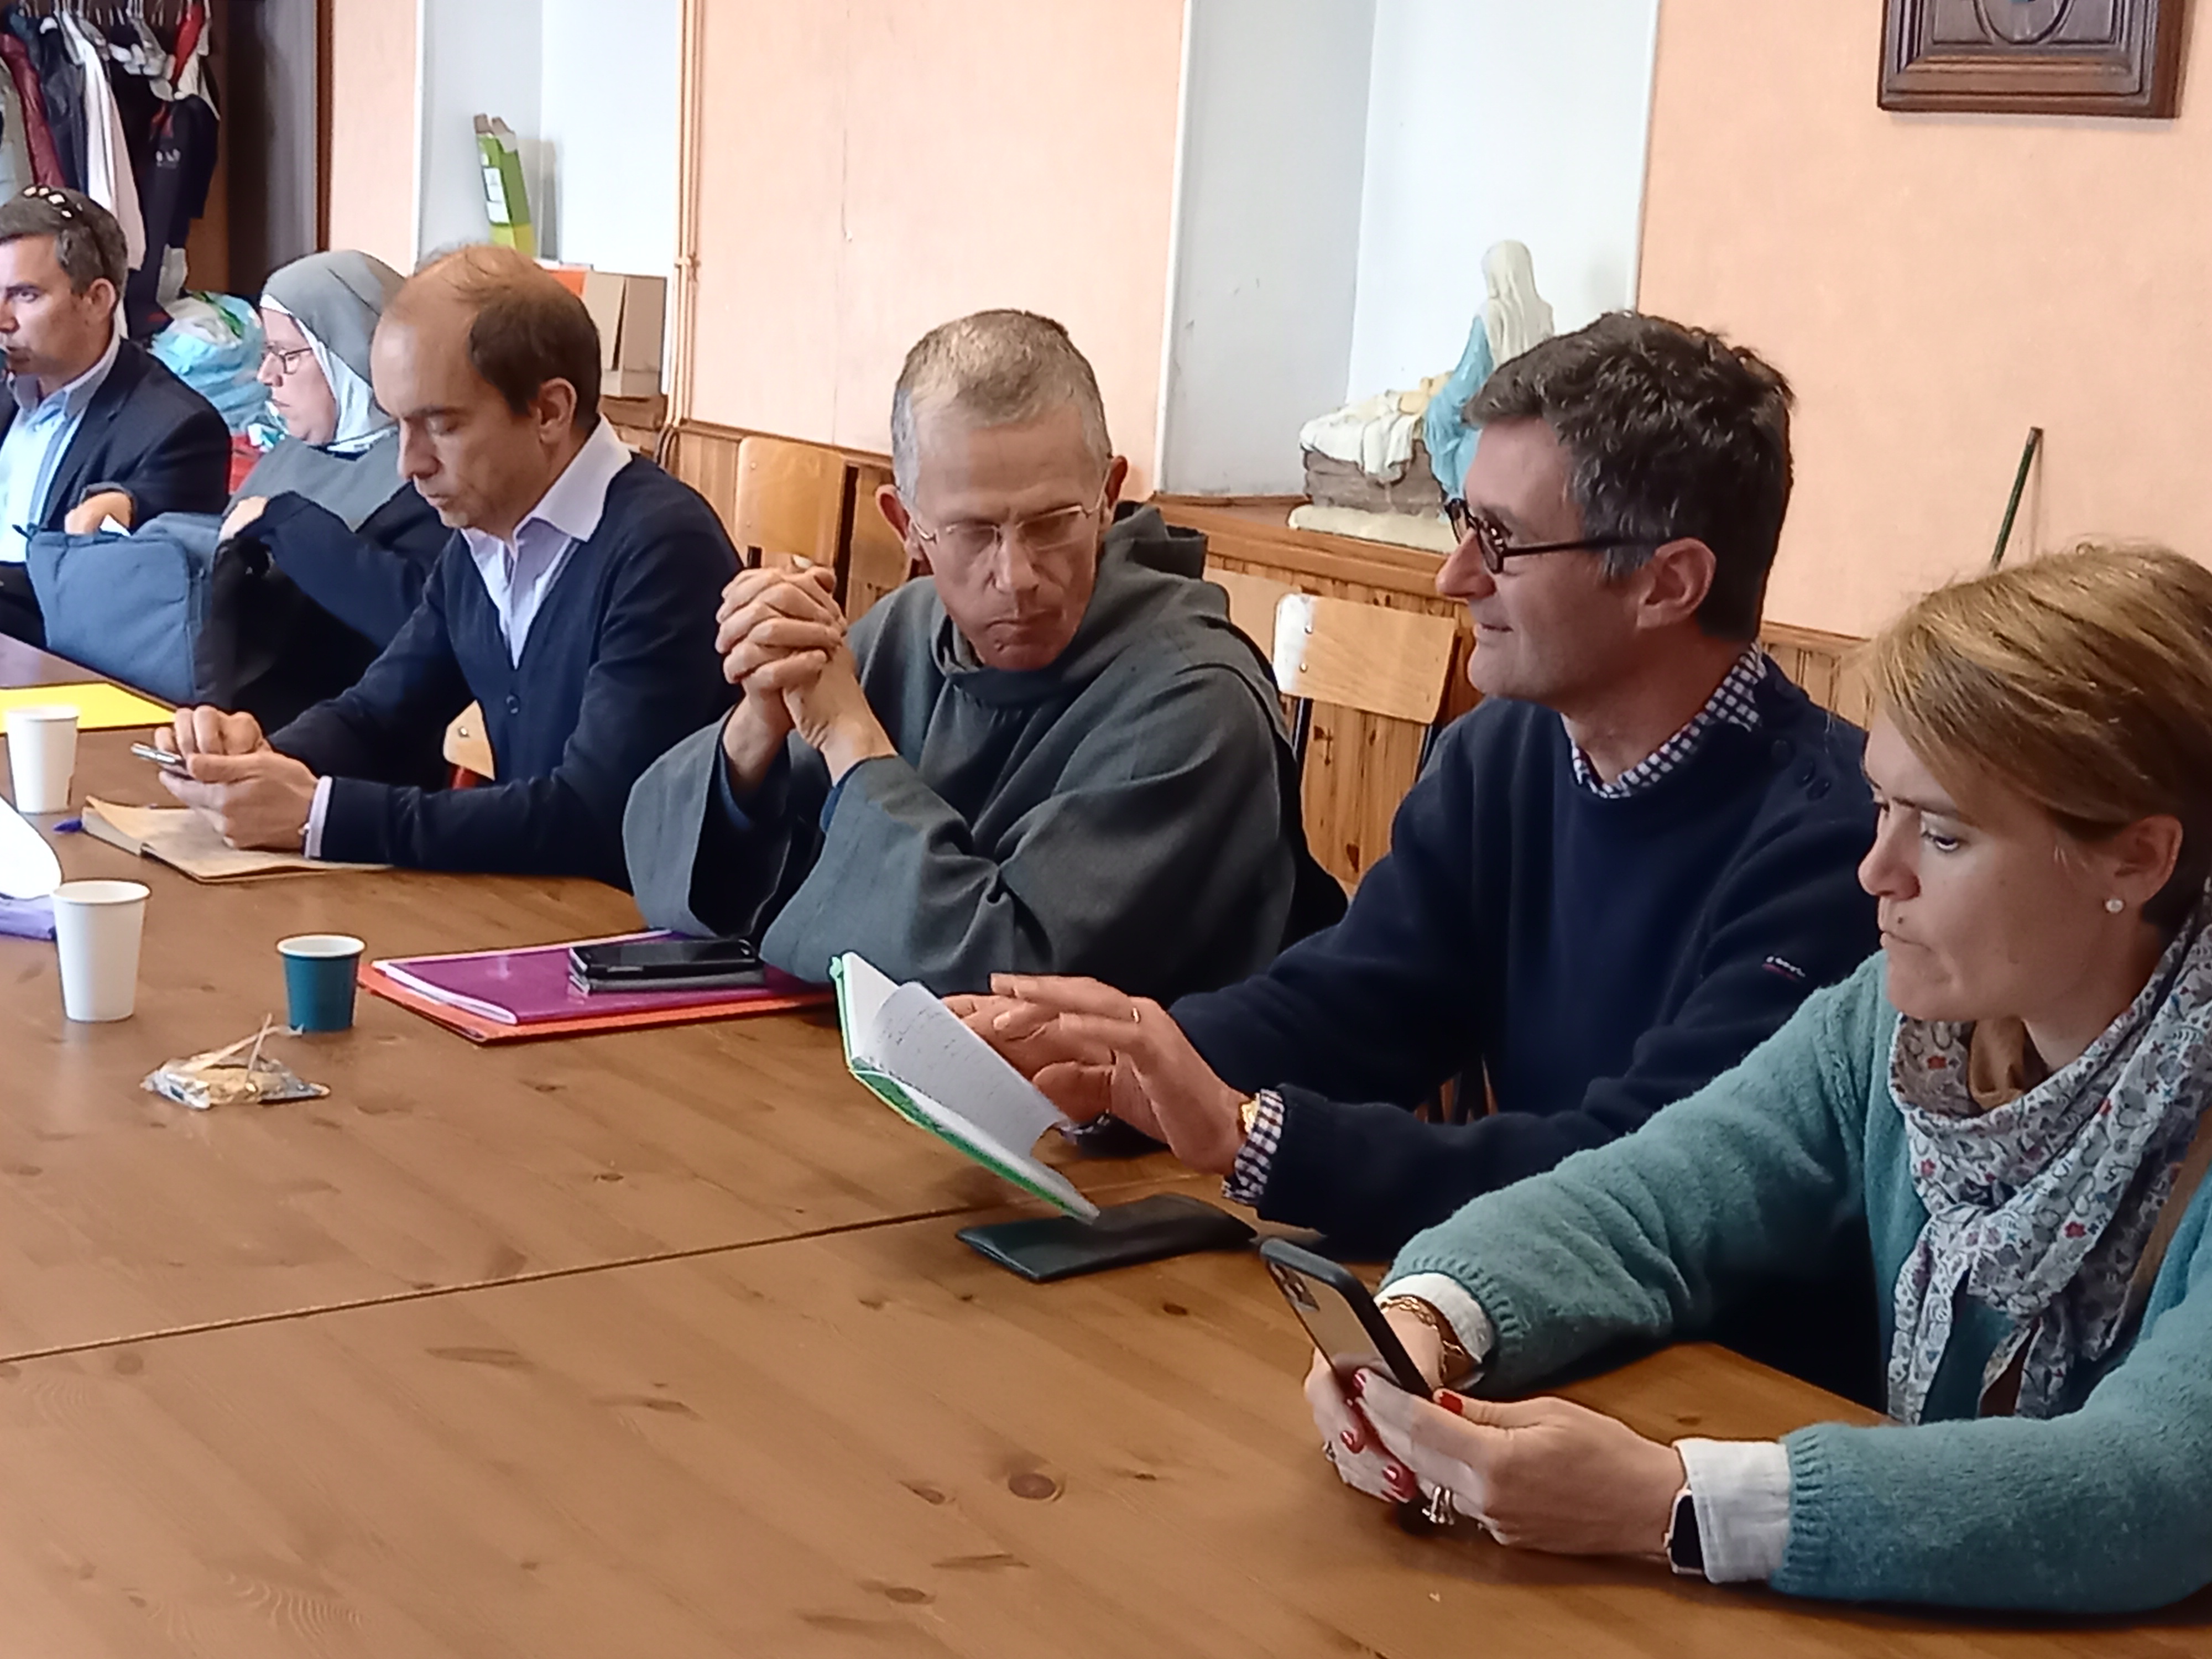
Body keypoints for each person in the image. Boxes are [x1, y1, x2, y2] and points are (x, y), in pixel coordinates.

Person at [1307, 544, 2212, 1615]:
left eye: (1942, 835)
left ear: (2137, 859)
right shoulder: (1898, 1030)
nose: (1876, 871)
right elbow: (1645, 1200)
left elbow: (2153, 1485)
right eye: (1880, 807)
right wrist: (1423, 1324)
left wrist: (1672, 1502)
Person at [959, 314, 1880, 1271]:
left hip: (1707, 1343)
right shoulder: (1505, 751)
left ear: (1667, 584)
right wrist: (1111, 1057)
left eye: (1502, 540)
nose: (1454, 575)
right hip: (1525, 1299)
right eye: (1461, 520)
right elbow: (1358, 1005)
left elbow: (1636, 1175)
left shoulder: (1840, 849)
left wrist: (1247, 1134)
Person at [624, 308, 1333, 998]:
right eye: (971, 531)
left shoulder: (1196, 702)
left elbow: (1011, 985)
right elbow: (666, 863)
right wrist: (758, 721)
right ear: (906, 526)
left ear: (1107, 496)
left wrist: (853, 742)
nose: (1016, 576)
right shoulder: (907, 628)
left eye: (1052, 523)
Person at [157, 244, 738, 885]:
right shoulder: (485, 533)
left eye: (440, 425)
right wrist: (255, 760)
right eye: (400, 424)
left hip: (645, 926)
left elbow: (596, 818)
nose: (410, 464)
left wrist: (318, 815)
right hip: (541, 907)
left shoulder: (662, 549)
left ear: (549, 411)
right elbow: (380, 713)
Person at [199, 248, 451, 729]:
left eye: (288, 355)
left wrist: (284, 522)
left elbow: (417, 622)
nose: (267, 375)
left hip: (343, 735)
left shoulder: (424, 473)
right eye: (266, 352)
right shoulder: (291, 453)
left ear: (353, 354)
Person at [0, 184, 227, 645]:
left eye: (24, 295)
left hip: (56, 663)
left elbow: (103, 611)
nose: (2, 319)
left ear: (97, 300)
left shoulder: (178, 431)